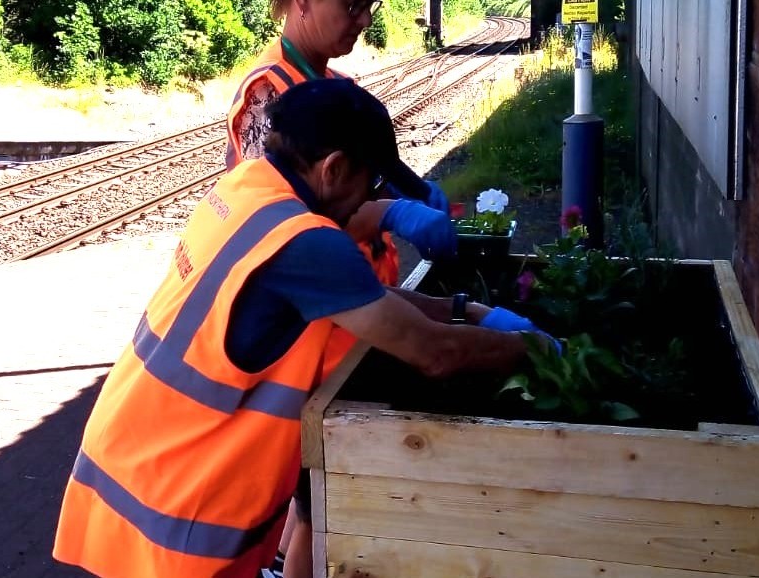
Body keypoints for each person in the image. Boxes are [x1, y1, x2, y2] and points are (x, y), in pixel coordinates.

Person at [52, 78, 559, 578]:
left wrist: (467, 310)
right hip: (182, 502)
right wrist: (527, 351)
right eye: (373, 184)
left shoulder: (246, 189)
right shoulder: (305, 241)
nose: (370, 201)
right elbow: (433, 353)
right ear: (334, 169)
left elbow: (364, 298)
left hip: (131, 452)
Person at [225, 0, 454, 289]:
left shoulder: (332, 84)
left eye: (370, 5)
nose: (365, 20)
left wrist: (407, 189)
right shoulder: (267, 96)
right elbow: (280, 236)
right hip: (307, 321)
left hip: (352, 302)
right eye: (354, 4)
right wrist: (387, 213)